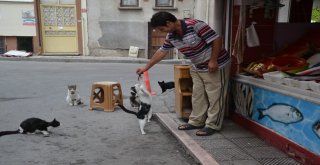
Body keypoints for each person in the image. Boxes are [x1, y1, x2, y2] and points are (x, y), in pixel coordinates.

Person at [136, 11, 231, 136]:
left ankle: (213, 125)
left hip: (215, 65)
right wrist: (146, 67)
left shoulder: (195, 25)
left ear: (169, 23)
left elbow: (216, 40)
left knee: (215, 97)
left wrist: (213, 60)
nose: (162, 31)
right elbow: (161, 52)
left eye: (162, 28)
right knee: (197, 96)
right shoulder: (171, 36)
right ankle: (196, 121)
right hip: (197, 67)